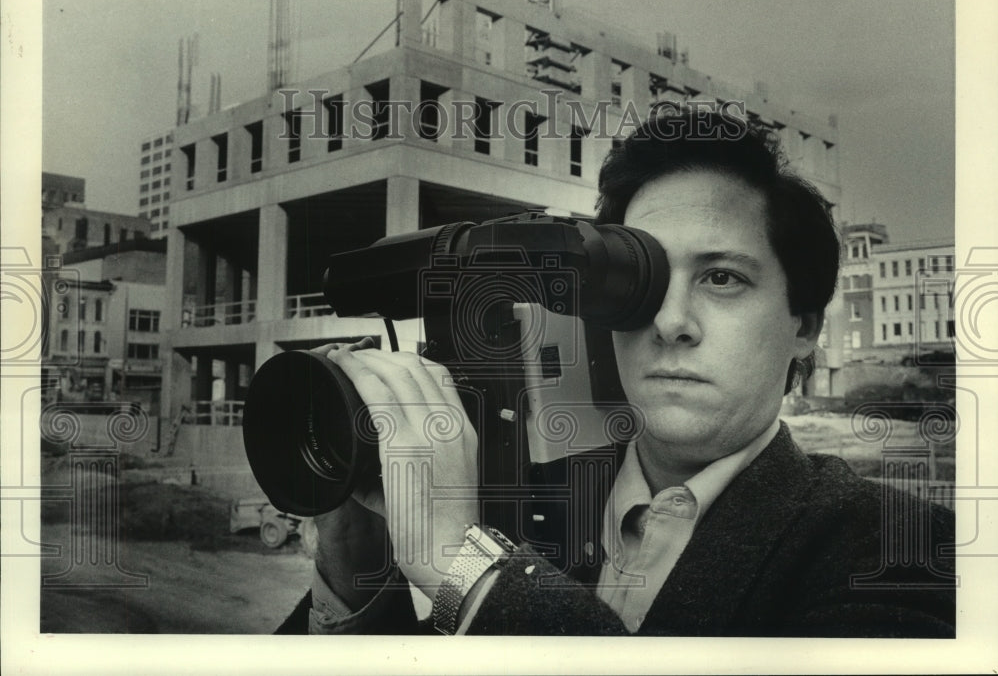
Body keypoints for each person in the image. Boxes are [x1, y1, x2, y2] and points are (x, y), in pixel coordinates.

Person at [277, 107, 955, 637]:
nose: (670, 321)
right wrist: (353, 574)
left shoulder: (900, 552)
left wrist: (465, 567)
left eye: (722, 277)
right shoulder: (505, 497)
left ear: (804, 325)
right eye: (644, 280)